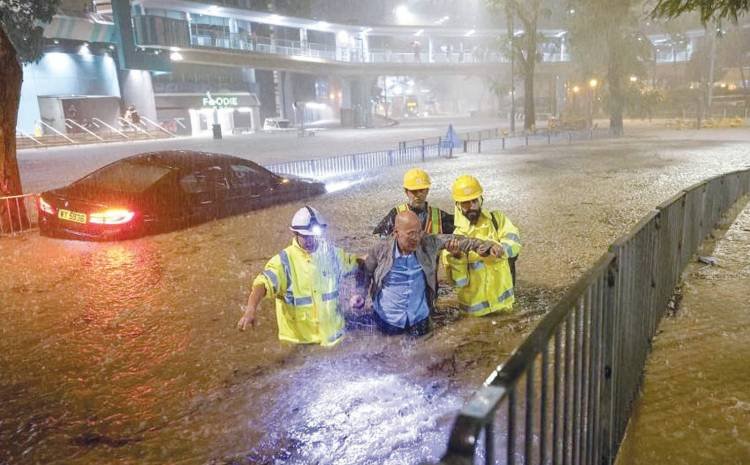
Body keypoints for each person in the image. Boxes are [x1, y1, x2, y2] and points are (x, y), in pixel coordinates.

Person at [358, 210, 504, 336]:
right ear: (396, 233)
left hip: (419, 319)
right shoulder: (380, 249)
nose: (416, 238)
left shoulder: (428, 242)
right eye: (410, 234)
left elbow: (461, 241)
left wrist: (486, 246)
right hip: (388, 319)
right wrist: (360, 294)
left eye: (419, 232)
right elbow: (366, 272)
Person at [237, 206, 362, 346]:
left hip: (334, 338)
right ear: (295, 234)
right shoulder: (284, 262)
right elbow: (262, 284)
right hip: (300, 343)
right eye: (305, 236)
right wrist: (251, 309)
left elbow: (357, 263)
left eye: (313, 236)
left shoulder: (332, 254)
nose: (310, 240)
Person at [444, 175, 521, 316]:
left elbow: (515, 243)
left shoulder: (497, 220)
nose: (471, 206)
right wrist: (457, 256)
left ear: (481, 199)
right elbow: (459, 283)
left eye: (474, 200)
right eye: (465, 203)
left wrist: (500, 248)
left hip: (504, 307)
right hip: (475, 316)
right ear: (458, 206)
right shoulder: (455, 238)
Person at [373, 168, 454, 237]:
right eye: (414, 191)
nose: (418, 195)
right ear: (406, 191)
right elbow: (378, 236)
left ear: (427, 191)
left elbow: (460, 228)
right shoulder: (396, 214)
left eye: (421, 190)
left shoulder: (440, 216)